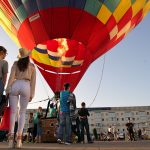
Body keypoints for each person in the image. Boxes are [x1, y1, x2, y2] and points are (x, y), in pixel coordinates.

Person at [6, 48, 36, 148]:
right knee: (22, 112)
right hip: (26, 86)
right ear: (28, 56)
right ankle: (19, 140)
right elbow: (33, 82)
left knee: (13, 112)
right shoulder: (32, 66)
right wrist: (32, 94)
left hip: (15, 84)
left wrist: (7, 89)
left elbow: (11, 77)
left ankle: (10, 140)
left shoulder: (15, 63)